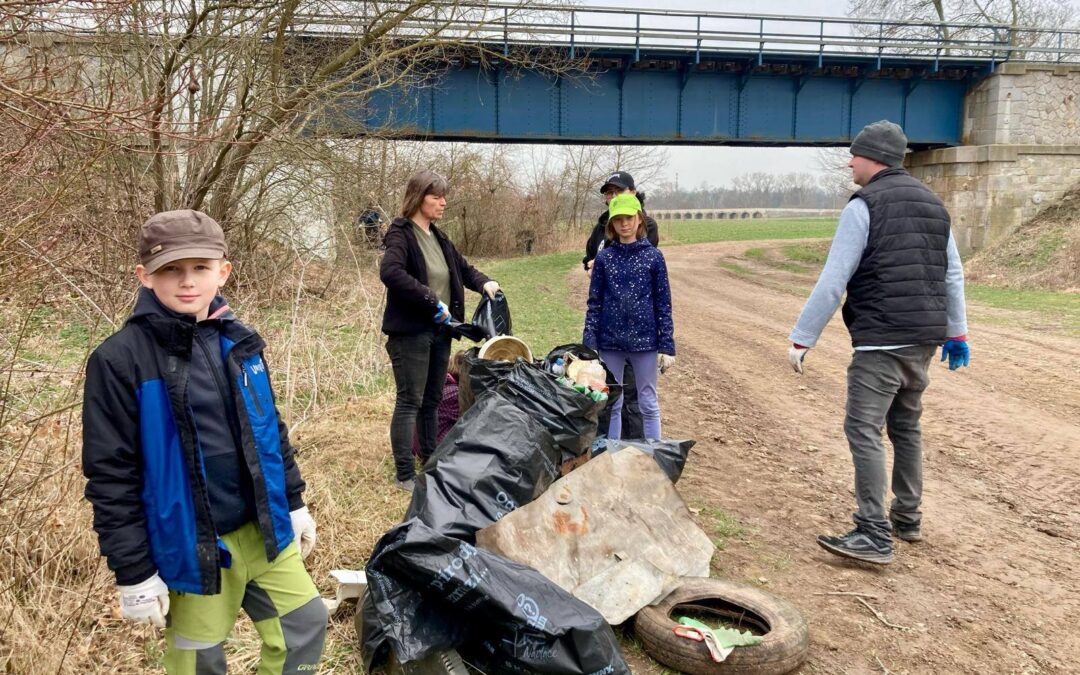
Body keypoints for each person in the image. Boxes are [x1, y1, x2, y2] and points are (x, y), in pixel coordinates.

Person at [82, 210, 326, 674]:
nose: (187, 281)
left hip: (262, 529)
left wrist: (293, 501)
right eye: (171, 269)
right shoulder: (119, 361)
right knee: (201, 663)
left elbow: (269, 428)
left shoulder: (239, 342)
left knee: (305, 624)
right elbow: (111, 475)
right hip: (193, 544)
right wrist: (133, 572)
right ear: (145, 276)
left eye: (200, 268)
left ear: (223, 271)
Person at [787, 120, 970, 566]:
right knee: (906, 428)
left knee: (863, 430)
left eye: (855, 154)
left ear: (874, 159)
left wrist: (802, 337)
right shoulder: (933, 204)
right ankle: (907, 518)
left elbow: (835, 279)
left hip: (881, 340)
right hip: (924, 338)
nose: (849, 161)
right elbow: (952, 273)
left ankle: (872, 532)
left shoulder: (863, 205)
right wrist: (956, 331)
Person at [380, 170, 499, 492]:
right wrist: (430, 297)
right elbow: (390, 272)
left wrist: (484, 282)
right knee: (410, 400)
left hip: (441, 331)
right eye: (436, 196)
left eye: (444, 196)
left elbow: (463, 269)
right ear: (419, 198)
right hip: (411, 332)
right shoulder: (401, 234)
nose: (443, 202)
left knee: (432, 399)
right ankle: (405, 473)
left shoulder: (439, 236)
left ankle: (431, 460)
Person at [583, 193, 676, 440]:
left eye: (629, 218)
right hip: (610, 341)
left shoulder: (653, 257)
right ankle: (611, 456)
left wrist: (666, 344)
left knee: (648, 401)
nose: (624, 224)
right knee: (613, 401)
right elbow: (595, 303)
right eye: (618, 219)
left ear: (639, 219)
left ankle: (655, 456)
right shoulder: (604, 258)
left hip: (644, 342)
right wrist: (589, 344)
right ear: (611, 224)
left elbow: (663, 303)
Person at [412, 349, 465, 456]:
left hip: (417, 446)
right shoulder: (455, 393)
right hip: (436, 449)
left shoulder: (440, 385)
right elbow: (471, 421)